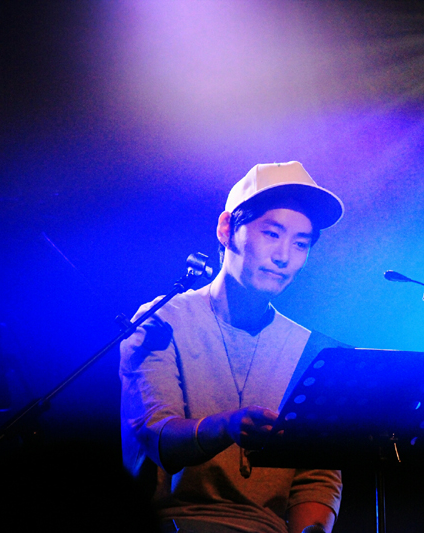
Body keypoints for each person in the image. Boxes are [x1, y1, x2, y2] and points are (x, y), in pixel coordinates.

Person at [120, 162, 345, 533]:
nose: (284, 256)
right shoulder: (162, 319)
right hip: (175, 523)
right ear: (227, 229)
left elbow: (316, 476)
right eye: (271, 233)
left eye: (300, 244)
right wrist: (227, 426)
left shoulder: (311, 350)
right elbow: (155, 434)